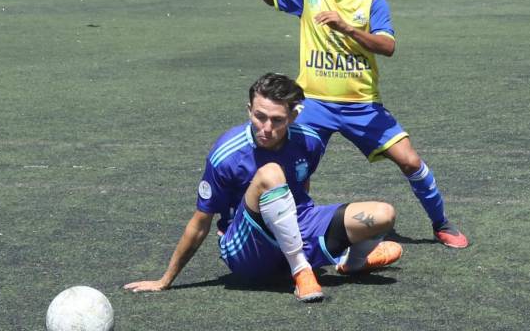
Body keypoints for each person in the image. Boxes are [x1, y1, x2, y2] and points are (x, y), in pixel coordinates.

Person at [231, 0, 468, 249]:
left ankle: (441, 223)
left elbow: (387, 46)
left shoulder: (372, 0)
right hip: (312, 102)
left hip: (361, 106)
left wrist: (347, 28)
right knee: (284, 161)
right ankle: (254, 222)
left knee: (410, 161)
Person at [124, 73, 403, 302]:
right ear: (249, 110)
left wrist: (309, 227)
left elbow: (302, 183)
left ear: (293, 117)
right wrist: (165, 280)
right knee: (270, 173)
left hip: (297, 223)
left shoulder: (310, 141)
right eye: (259, 116)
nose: (266, 127)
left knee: (383, 214)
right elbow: (200, 222)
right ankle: (301, 270)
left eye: (277, 120)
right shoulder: (226, 153)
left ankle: (352, 264)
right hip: (246, 247)